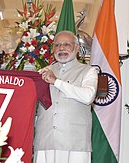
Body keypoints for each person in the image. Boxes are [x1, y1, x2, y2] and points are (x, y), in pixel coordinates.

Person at [33, 30, 98, 163]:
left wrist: (56, 82)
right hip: (45, 142)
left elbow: (88, 96)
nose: (61, 48)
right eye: (57, 45)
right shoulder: (43, 72)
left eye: (67, 44)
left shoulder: (88, 71)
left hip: (75, 145)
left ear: (77, 48)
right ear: (52, 49)